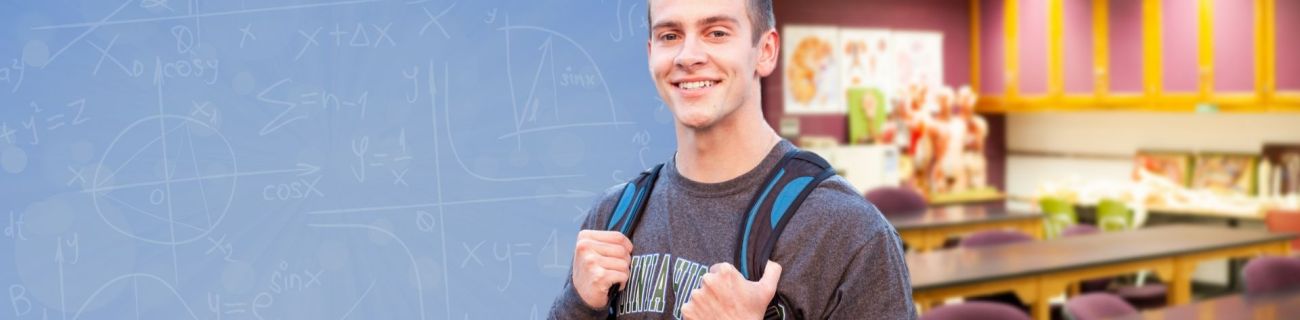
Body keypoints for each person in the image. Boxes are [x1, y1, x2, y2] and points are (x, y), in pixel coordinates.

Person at [549, 0, 915, 319]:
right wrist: (577, 306)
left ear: (765, 50)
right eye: (670, 35)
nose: (688, 56)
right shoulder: (611, 218)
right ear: (650, 54)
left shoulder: (849, 233)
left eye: (717, 32)